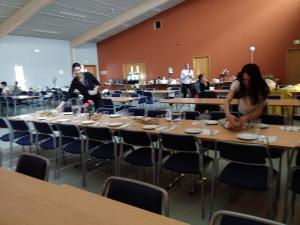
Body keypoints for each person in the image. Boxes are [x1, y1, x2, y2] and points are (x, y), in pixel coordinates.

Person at [224, 64, 269, 130]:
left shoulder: (261, 87)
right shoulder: (238, 83)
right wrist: (228, 115)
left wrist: (247, 118)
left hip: (258, 117)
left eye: (250, 80)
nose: (247, 83)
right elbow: (227, 101)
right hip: (242, 113)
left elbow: (259, 111)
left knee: (257, 134)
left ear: (256, 79)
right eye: (244, 80)